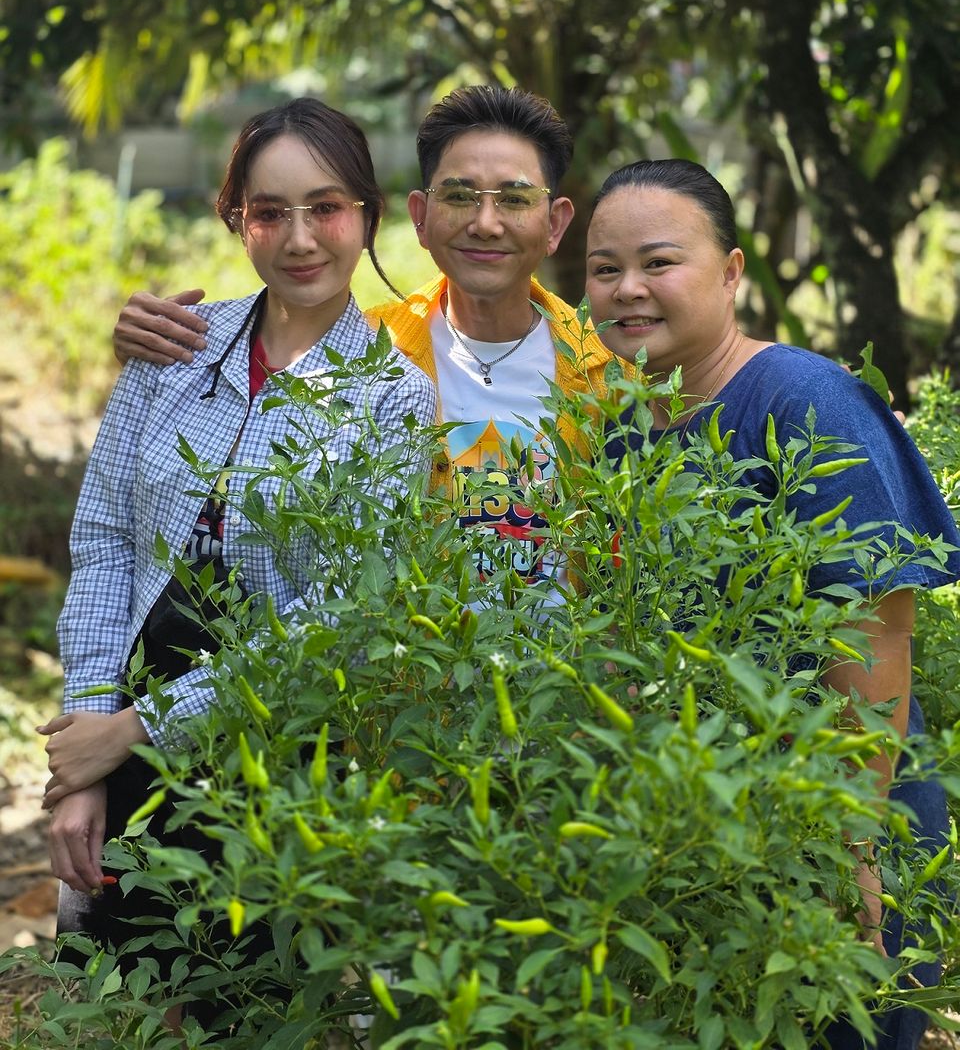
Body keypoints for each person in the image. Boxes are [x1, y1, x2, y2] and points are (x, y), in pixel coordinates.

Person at [40, 98, 436, 1017]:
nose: (300, 238)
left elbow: (340, 614)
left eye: (327, 207)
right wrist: (86, 752)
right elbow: (105, 544)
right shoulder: (173, 351)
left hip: (269, 757)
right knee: (112, 1006)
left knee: (240, 1011)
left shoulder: (390, 399)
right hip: (123, 728)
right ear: (236, 219)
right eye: (269, 211)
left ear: (369, 217)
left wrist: (135, 729)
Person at [585, 158, 960, 1050]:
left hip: (832, 825)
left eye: (659, 262)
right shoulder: (630, 425)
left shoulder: (804, 401)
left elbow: (873, 641)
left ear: (733, 271)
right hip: (711, 830)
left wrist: (851, 848)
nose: (627, 289)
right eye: (603, 269)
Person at [111, 86, 614, 593]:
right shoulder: (363, 355)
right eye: (459, 197)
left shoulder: (608, 376)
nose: (486, 223)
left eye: (515, 199)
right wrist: (145, 346)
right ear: (420, 217)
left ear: (554, 224)